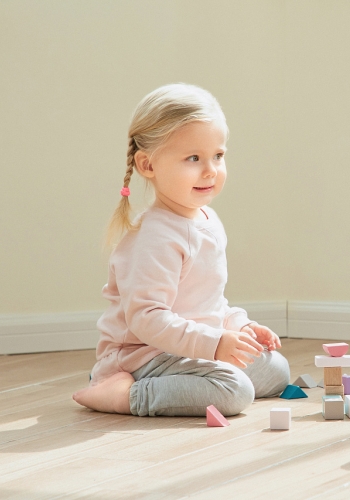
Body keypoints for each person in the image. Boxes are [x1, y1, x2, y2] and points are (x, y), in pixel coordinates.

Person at [73, 83, 290, 417]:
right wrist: (215, 344)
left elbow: (207, 303)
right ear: (148, 165)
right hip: (144, 357)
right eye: (193, 158)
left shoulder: (208, 220)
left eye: (218, 156)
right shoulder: (155, 237)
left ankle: (191, 381)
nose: (210, 170)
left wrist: (239, 327)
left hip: (191, 348)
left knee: (275, 369)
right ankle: (125, 394)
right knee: (235, 392)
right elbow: (147, 319)